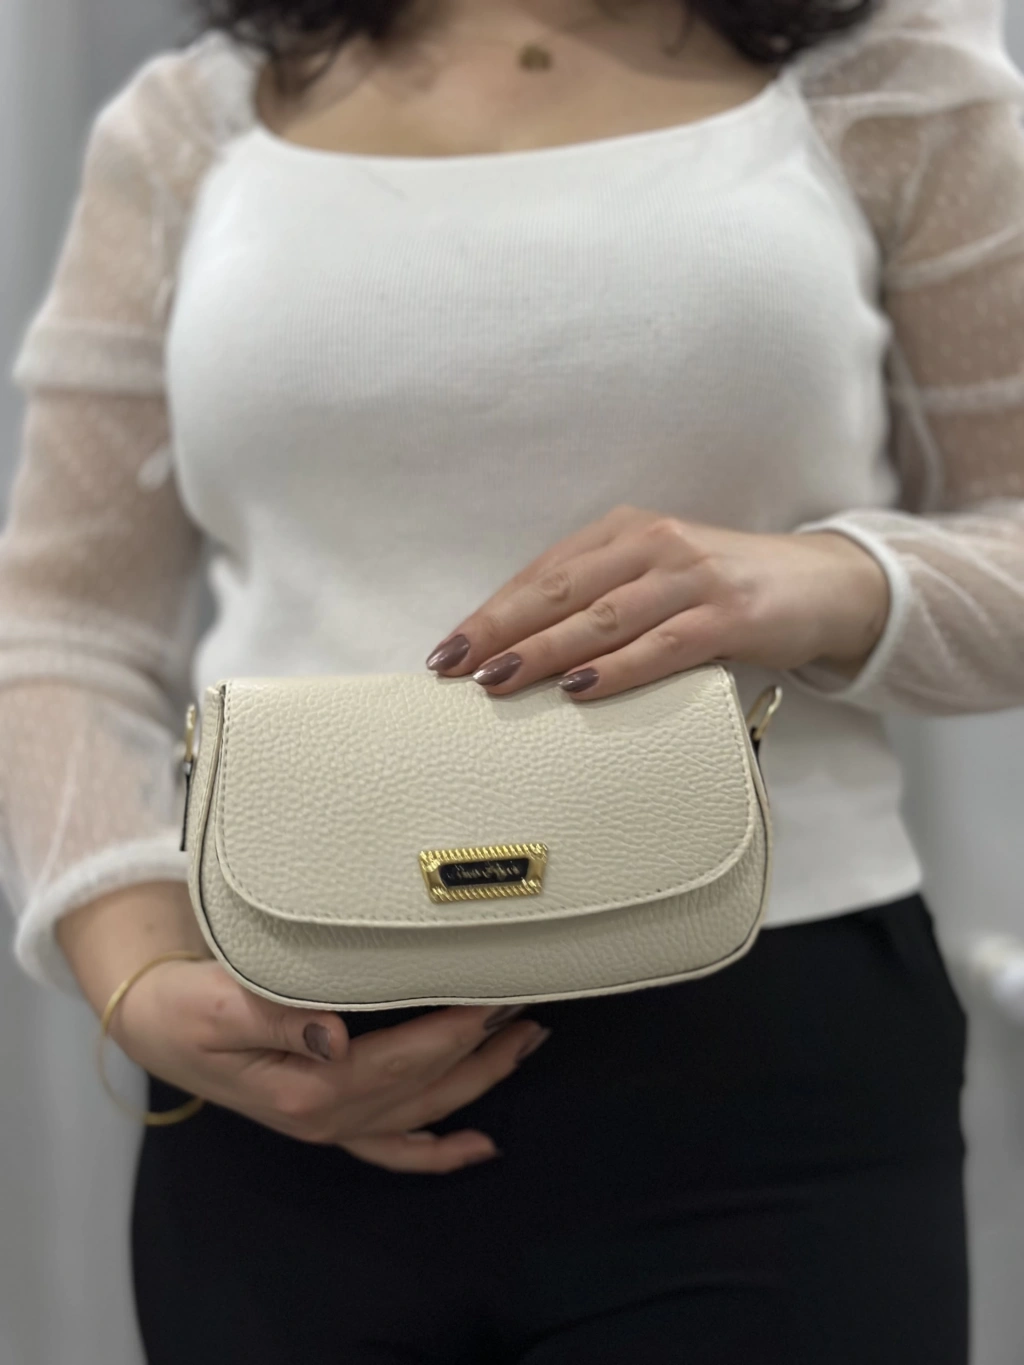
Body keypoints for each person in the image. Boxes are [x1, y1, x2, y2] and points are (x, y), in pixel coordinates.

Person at [2, 0, 1023, 1358]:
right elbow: (59, 623)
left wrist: (821, 580)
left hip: (767, 1071)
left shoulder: (889, 78)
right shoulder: (197, 120)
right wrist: (132, 973)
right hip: (287, 1046)